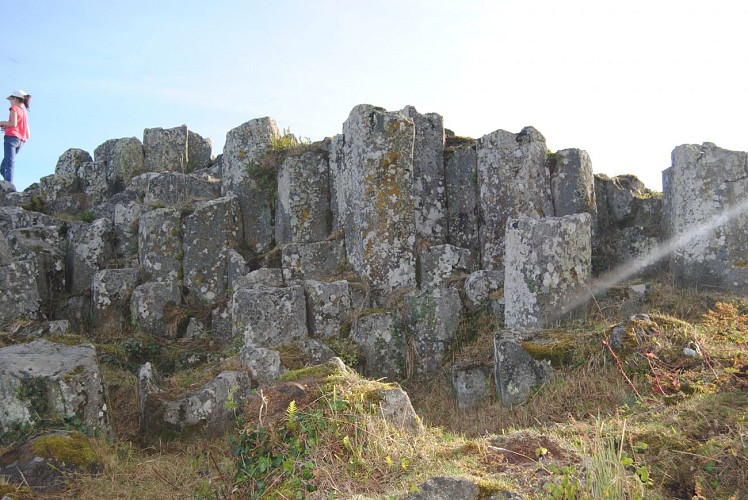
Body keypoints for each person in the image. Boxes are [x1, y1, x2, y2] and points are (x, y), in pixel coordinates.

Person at [0, 89, 31, 184]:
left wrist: (1, 123)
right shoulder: (24, 113)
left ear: (16, 99)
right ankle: (7, 184)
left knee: (9, 163)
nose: (10, 102)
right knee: (4, 166)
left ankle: (8, 185)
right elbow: (27, 132)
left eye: (11, 99)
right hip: (21, 141)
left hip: (11, 139)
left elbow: (13, 124)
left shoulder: (14, 108)